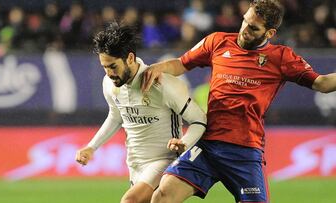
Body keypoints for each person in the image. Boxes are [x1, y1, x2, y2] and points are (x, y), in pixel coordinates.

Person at [141, 1, 336, 203]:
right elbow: (181, 64)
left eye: (253, 28)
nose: (244, 30)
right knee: (163, 195)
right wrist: (158, 67)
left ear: (269, 33)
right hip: (207, 145)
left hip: (244, 151)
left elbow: (322, 83)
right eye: (245, 21)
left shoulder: (281, 57)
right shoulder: (217, 41)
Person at [75, 22, 207, 203]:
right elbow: (115, 116)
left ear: (130, 58)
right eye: (104, 67)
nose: (109, 73)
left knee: (129, 201)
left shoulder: (161, 84)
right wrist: (92, 147)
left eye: (112, 66)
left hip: (164, 160)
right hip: (135, 164)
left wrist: (184, 142)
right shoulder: (109, 83)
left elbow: (199, 120)